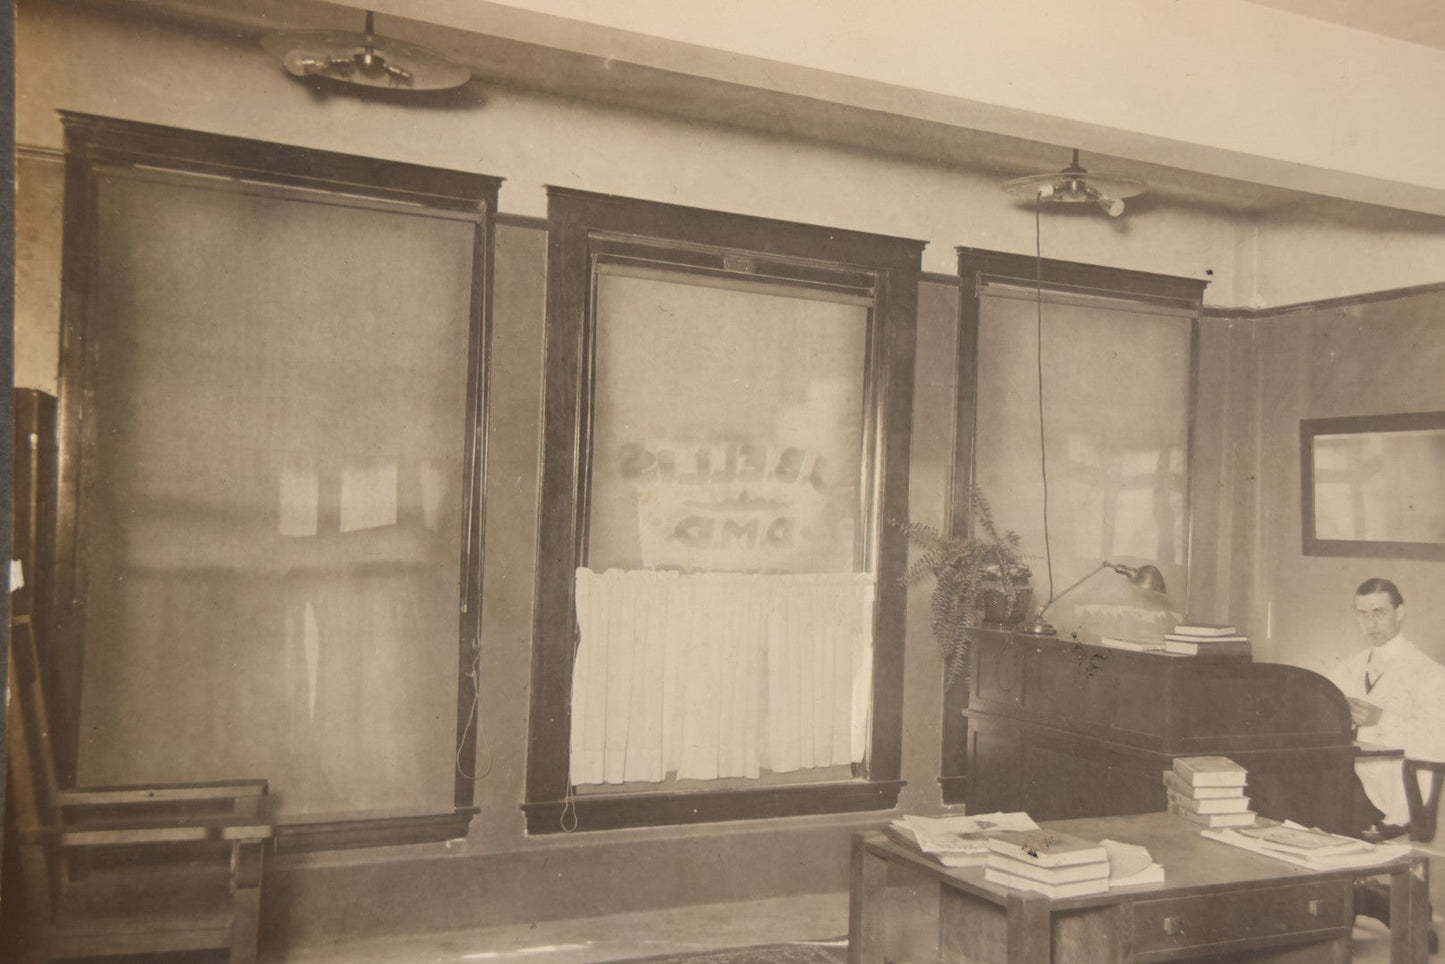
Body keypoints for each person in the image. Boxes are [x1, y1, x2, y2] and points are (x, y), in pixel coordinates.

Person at [1328, 578, 1445, 835]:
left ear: (1399, 612)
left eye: (1379, 612)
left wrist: (1381, 720)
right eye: (1363, 614)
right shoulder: (1347, 667)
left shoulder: (1430, 673)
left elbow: (1439, 741)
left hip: (1392, 792)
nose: (1371, 623)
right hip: (1345, 777)